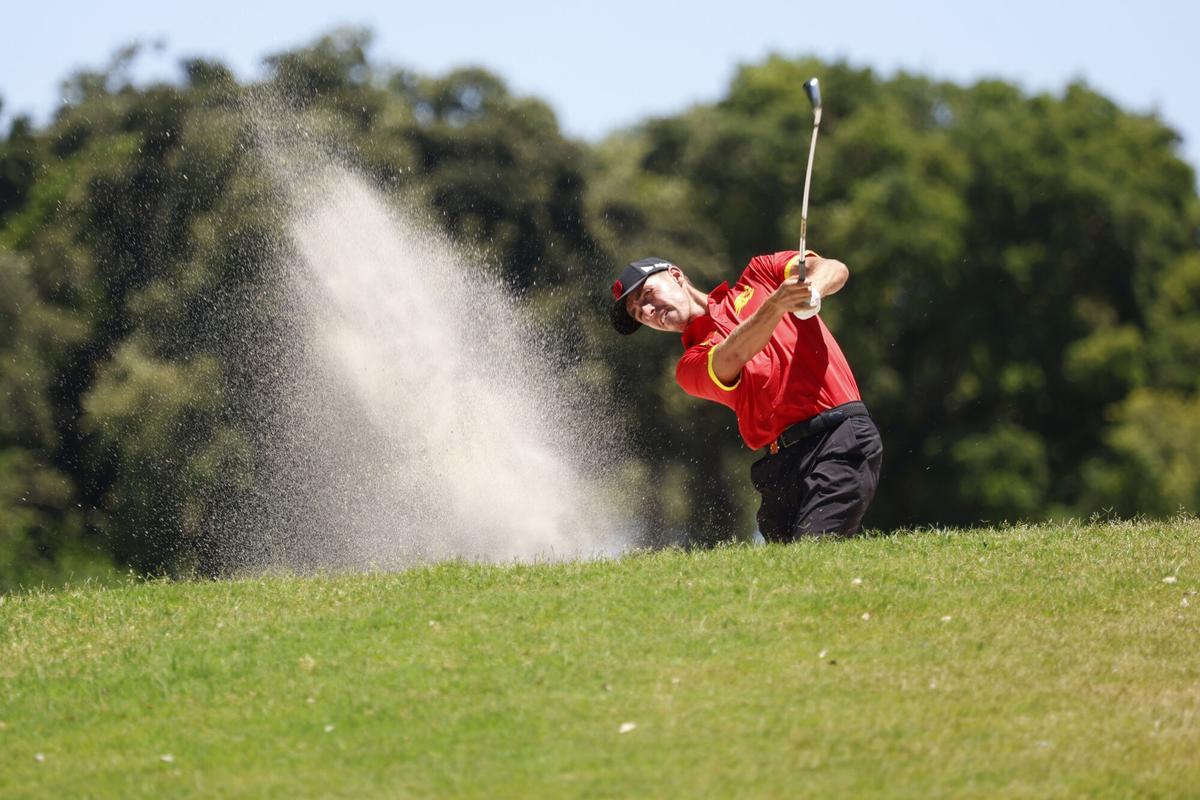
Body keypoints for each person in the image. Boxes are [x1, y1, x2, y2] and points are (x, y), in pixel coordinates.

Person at [610, 251, 882, 539]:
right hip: (779, 467)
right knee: (790, 566)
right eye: (639, 313)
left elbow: (833, 268)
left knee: (815, 550)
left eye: (647, 295)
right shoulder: (689, 365)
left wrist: (812, 291)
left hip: (838, 436)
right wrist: (776, 305)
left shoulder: (760, 273)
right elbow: (734, 354)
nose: (648, 311)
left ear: (676, 276)